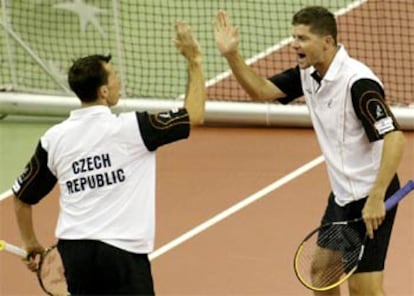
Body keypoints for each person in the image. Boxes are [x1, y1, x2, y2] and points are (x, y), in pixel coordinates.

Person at [213, 6, 405, 296]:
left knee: (363, 288)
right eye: (293, 37)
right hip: (343, 196)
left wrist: (377, 197)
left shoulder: (358, 83)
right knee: (321, 275)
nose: (294, 45)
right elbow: (261, 90)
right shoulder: (310, 73)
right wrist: (231, 55)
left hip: (373, 193)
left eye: (302, 38)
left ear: (326, 42)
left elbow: (394, 138)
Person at [12, 20, 205, 295]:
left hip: (74, 253)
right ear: (103, 92)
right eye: (114, 75)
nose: (119, 81)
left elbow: (21, 197)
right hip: (122, 253)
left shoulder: (54, 139)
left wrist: (31, 243)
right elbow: (194, 114)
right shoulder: (131, 128)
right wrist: (194, 60)